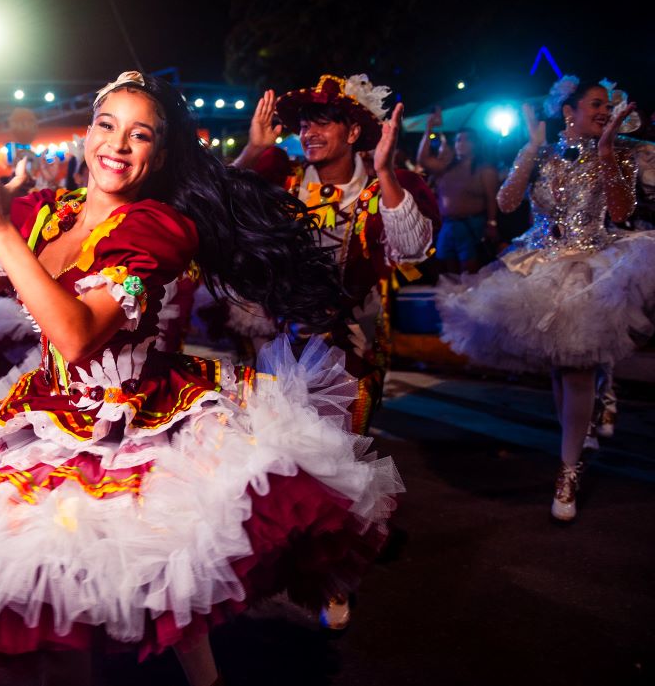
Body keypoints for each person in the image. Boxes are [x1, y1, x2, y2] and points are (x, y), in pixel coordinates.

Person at [0, 72, 402, 685]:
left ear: (159, 155)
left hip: (142, 422)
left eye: (141, 136)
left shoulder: (158, 229)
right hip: (47, 416)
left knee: (169, 578)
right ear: (87, 135)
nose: (118, 144)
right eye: (108, 125)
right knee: (63, 595)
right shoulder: (46, 216)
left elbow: (78, 333)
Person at [437, 76, 655, 522]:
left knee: (576, 367)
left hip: (589, 269)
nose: (602, 111)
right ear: (568, 112)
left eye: (607, 105)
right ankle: (579, 431)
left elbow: (620, 213)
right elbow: (507, 198)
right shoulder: (543, 153)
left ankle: (568, 469)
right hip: (536, 267)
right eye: (594, 104)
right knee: (561, 368)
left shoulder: (620, 155)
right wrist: (531, 146)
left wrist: (610, 153)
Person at [236, 78, 439, 437]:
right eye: (303, 125)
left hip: (354, 351)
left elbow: (412, 249)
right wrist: (253, 149)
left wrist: (386, 172)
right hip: (282, 344)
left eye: (322, 123)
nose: (309, 133)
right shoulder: (283, 181)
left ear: (353, 132)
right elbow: (216, 206)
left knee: (339, 459)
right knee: (278, 455)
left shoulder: (380, 187)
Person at [418, 113, 499, 273]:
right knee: (447, 271)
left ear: (475, 144)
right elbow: (422, 159)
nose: (459, 144)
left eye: (465, 140)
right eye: (457, 140)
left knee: (470, 272)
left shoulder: (485, 170)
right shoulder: (447, 167)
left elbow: (492, 199)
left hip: (472, 225)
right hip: (448, 225)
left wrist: (492, 224)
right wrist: (429, 129)